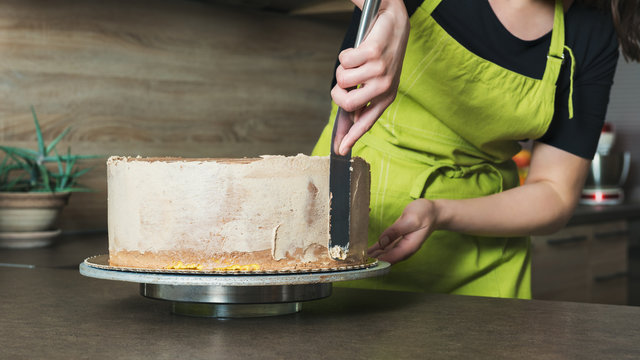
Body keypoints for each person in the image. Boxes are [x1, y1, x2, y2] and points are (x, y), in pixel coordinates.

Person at [312, 0, 640, 297]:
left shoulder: (591, 29)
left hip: (480, 264)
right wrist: (390, 7)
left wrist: (441, 213)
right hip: (345, 230)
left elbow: (555, 192)